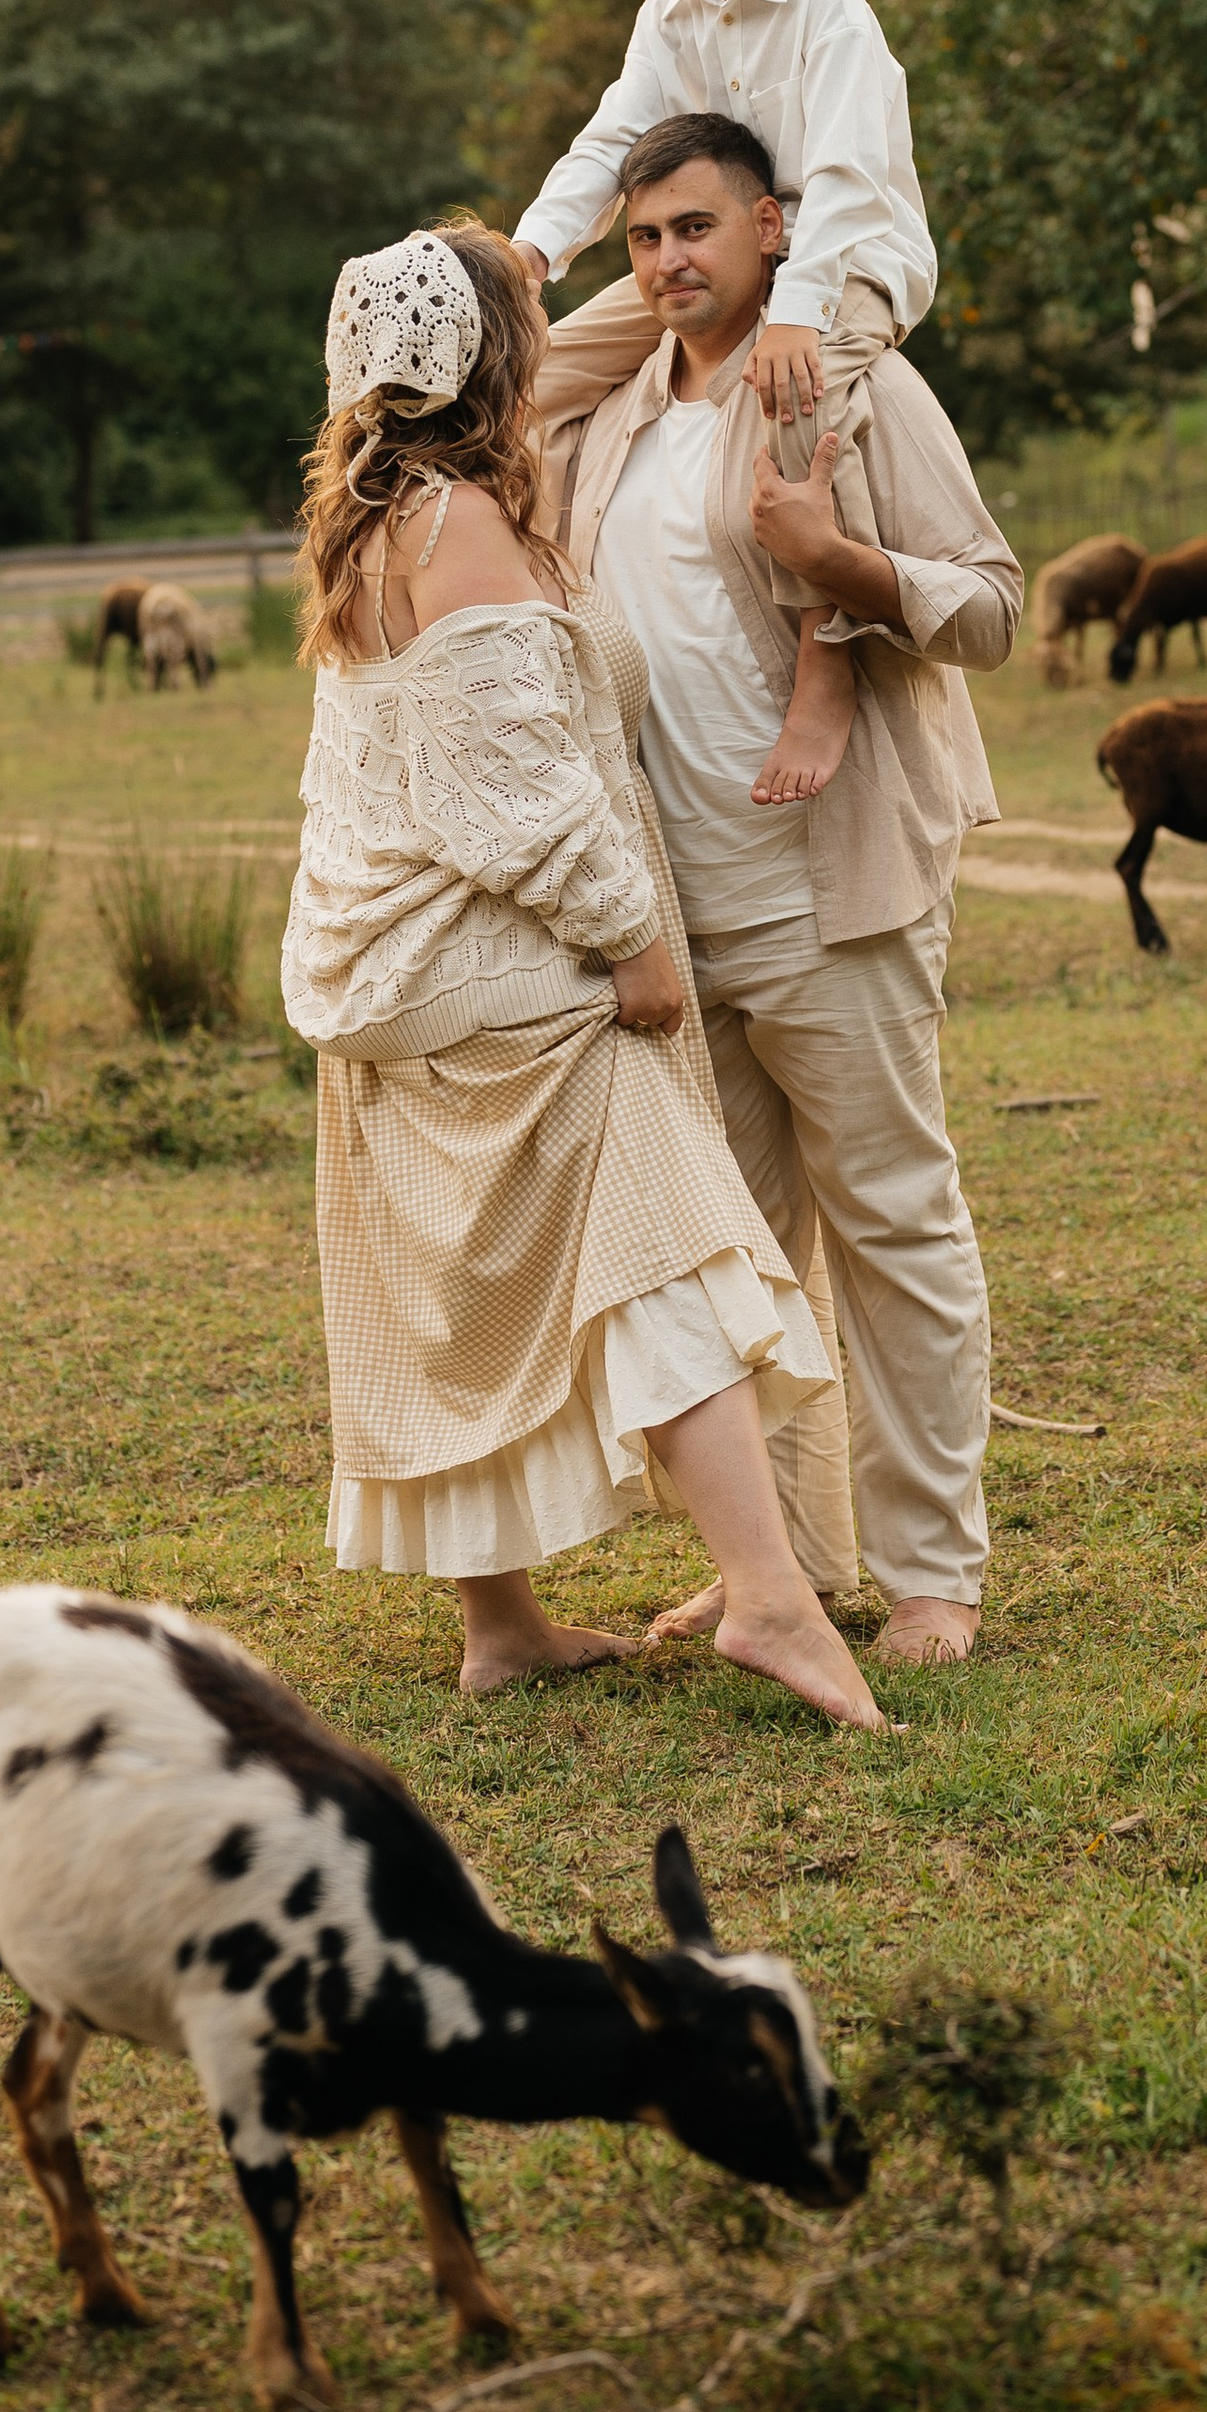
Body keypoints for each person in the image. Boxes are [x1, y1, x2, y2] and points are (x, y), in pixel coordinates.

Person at [282, 218, 883, 1730]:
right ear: (490, 357)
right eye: (525, 325)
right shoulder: (461, 528)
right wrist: (636, 947)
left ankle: (502, 1628)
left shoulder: (375, 517)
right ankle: (768, 1595)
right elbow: (519, 793)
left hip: (379, 959)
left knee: (460, 1278)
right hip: (485, 959)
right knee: (661, 1240)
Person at [541, 116, 1022, 1666]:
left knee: (891, 1220)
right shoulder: (609, 415)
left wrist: (847, 563)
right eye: (644, 241)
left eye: (697, 227)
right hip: (670, 918)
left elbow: (993, 605)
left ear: (769, 225)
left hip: (831, 888)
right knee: (736, 1255)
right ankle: (787, 1575)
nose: (672, 261)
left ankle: (934, 1572)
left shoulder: (858, 390)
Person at [506, 0, 936, 813]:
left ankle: (824, 651)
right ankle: (533, 604)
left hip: (848, 256)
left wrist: (796, 312)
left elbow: (843, 170)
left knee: (792, 389)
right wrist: (531, 252)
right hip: (722, 250)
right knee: (538, 370)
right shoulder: (667, 17)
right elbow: (615, 138)